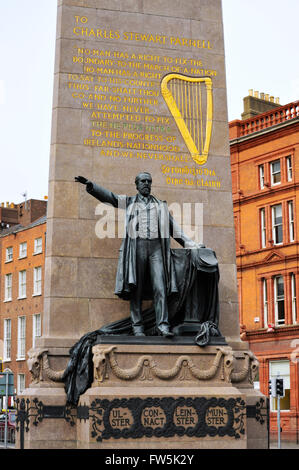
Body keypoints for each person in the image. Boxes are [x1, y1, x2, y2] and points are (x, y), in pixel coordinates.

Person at [75, 172, 201, 338]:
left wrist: (190, 243)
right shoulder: (129, 202)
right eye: (143, 181)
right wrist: (92, 186)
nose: (146, 184)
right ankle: (137, 327)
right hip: (137, 247)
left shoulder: (160, 206)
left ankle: (162, 326)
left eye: (149, 181)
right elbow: (111, 198)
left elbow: (174, 229)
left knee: (160, 287)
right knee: (137, 289)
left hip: (157, 249)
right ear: (136, 184)